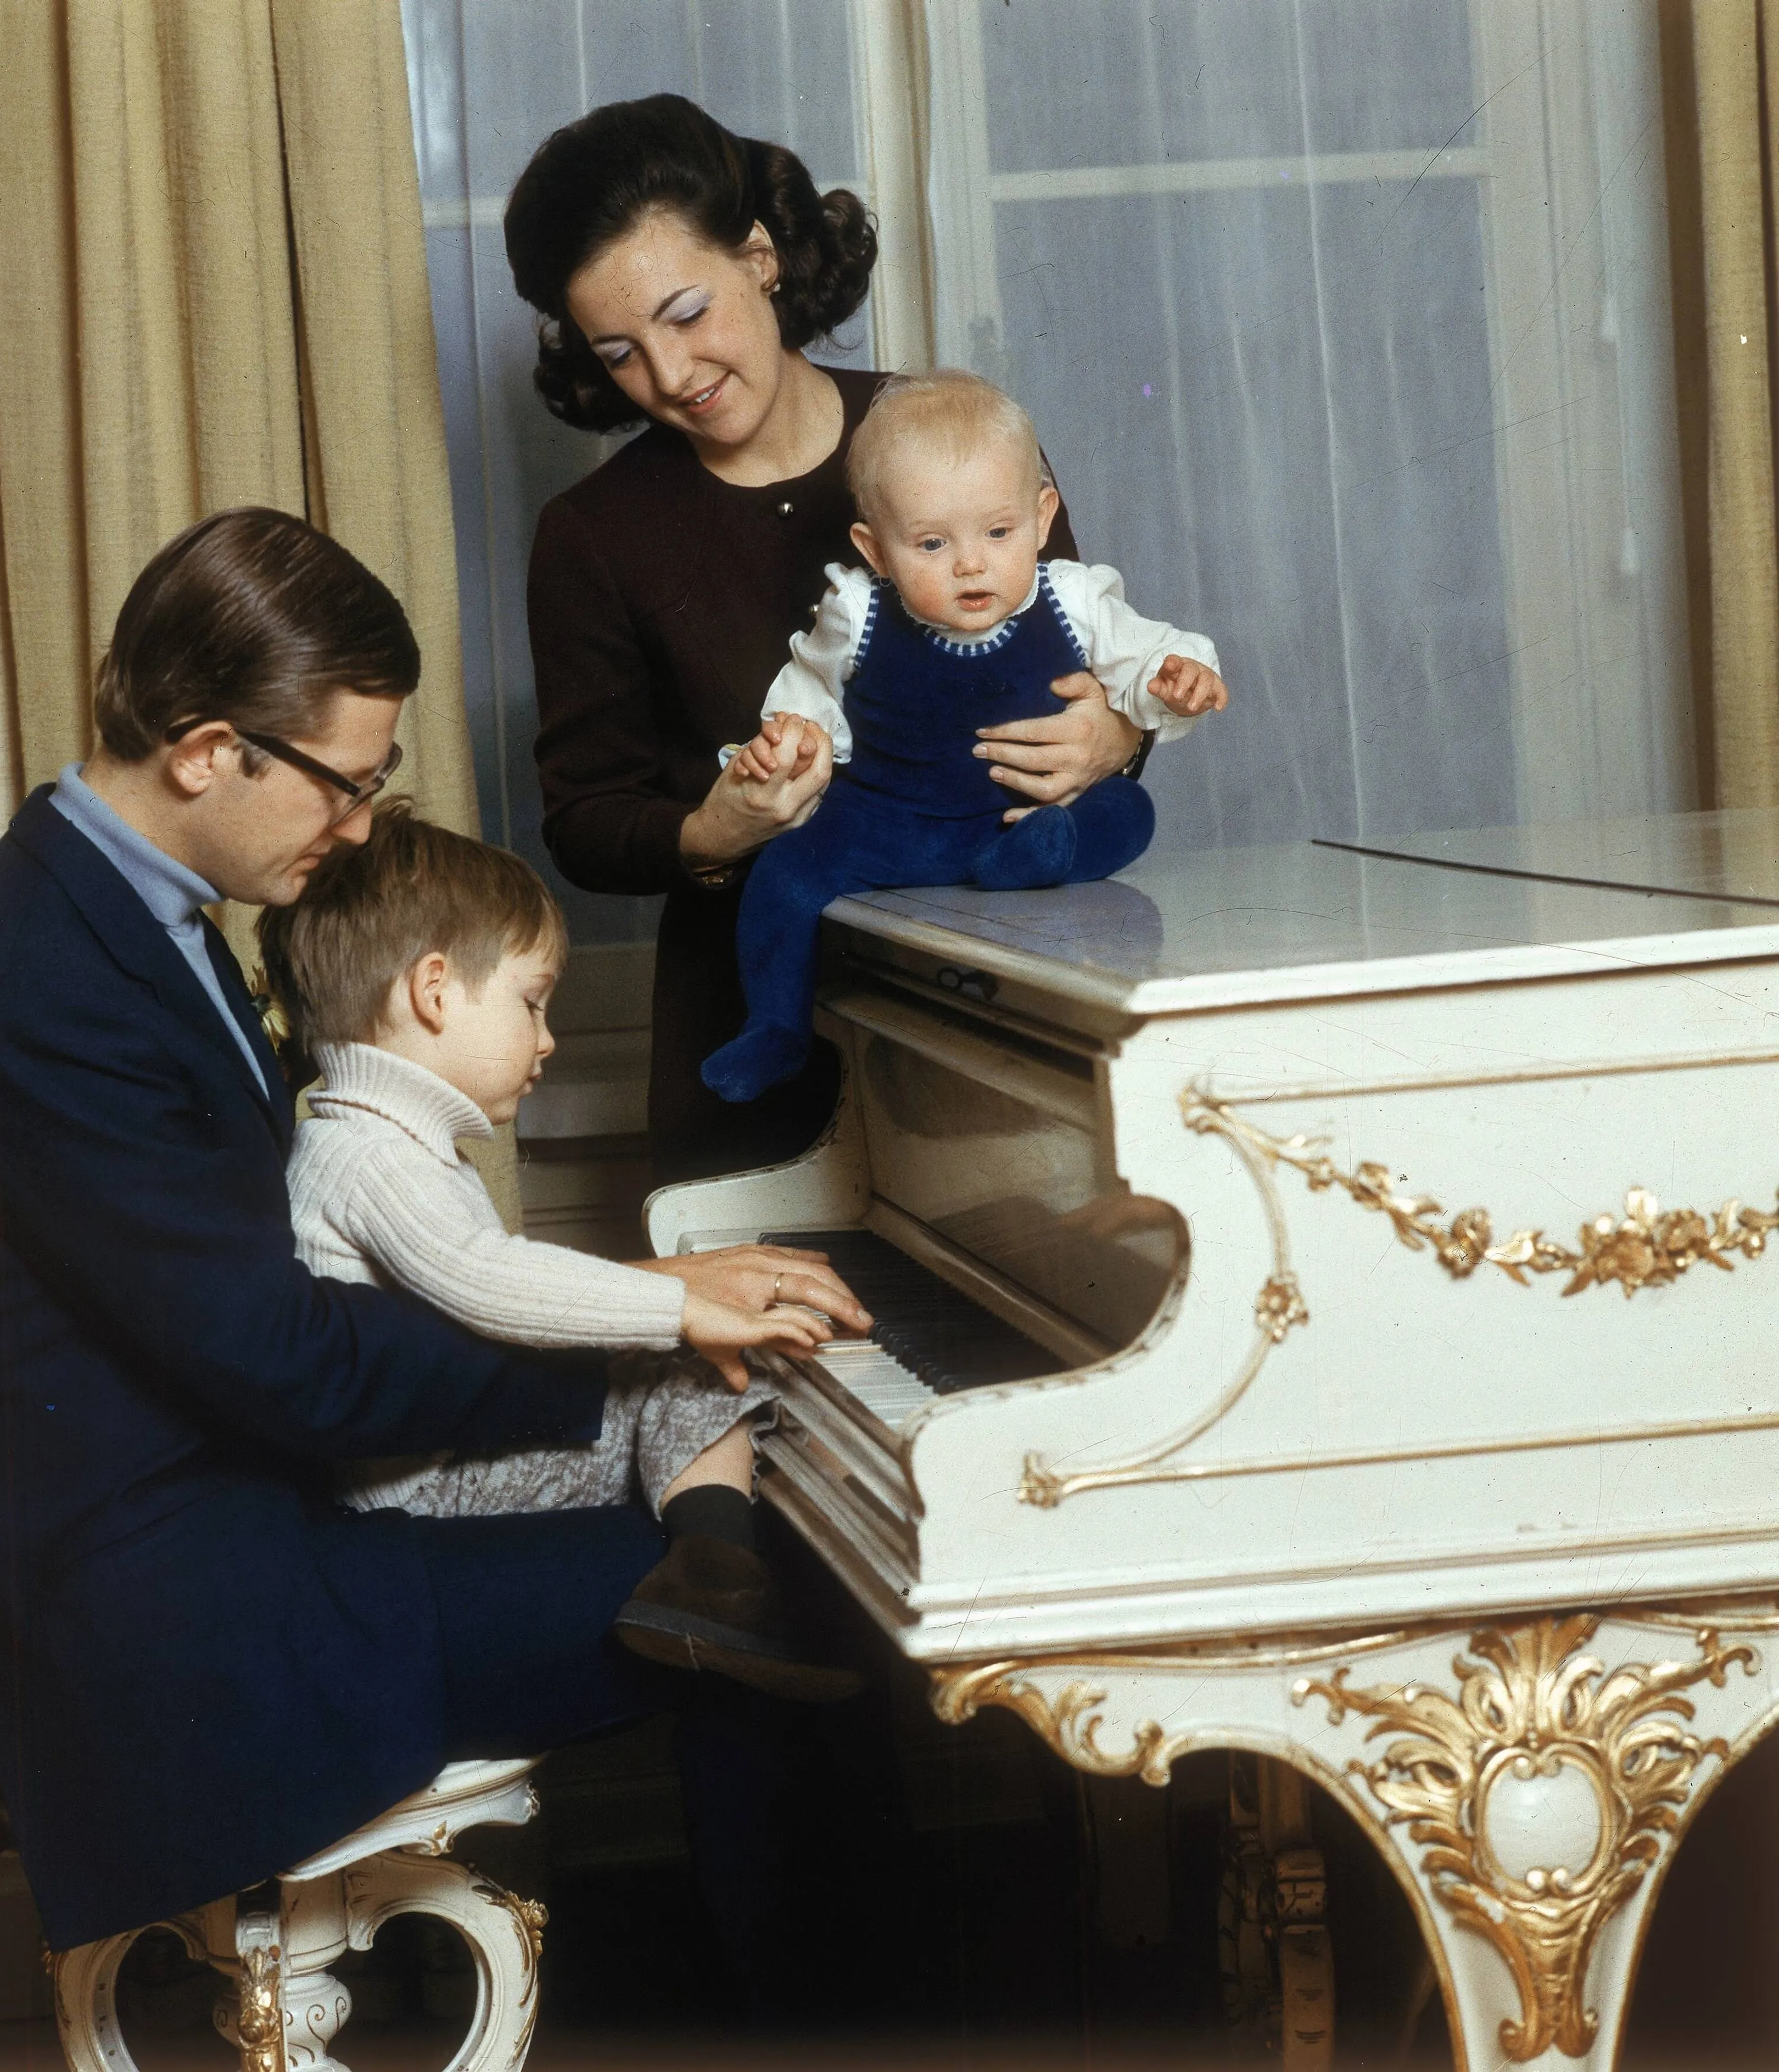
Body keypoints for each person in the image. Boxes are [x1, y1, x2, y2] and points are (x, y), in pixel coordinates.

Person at [0, 506, 863, 1956]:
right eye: (345, 782)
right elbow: (290, 1364)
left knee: (743, 1561)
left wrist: (624, 1329)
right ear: (209, 750)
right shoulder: (42, 989)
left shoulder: (125, 916)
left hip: (249, 1525)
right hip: (175, 1621)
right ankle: (814, 2003)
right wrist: (630, 1326)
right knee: (791, 1588)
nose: (358, 824)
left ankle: (793, 1993)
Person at [506, 93, 1148, 1184]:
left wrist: (1116, 738)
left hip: (1004, 1010)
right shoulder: (592, 535)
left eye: (687, 312)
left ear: (759, 256)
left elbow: (1089, 645)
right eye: (619, 352)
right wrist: (711, 830)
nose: (668, 377)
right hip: (748, 1036)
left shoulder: (953, 433)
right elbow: (586, 821)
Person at [258, 804, 864, 1700]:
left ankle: (713, 1563)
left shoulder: (375, 1137)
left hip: (434, 1461)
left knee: (683, 1369)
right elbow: (488, 1282)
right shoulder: (370, 1156)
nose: (548, 1040)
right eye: (531, 1002)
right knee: (707, 1371)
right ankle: (722, 1577)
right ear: (434, 991)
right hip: (425, 1492)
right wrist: (684, 1308)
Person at [704, 370, 1228, 1101]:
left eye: (998, 531)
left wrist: (1178, 678)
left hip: (1023, 815)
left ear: (1043, 518)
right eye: (931, 544)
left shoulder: (1073, 597)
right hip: (890, 826)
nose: (971, 562)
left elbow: (1148, 656)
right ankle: (776, 1028)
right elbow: (809, 691)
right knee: (785, 873)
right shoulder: (857, 611)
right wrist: (789, 740)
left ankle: (1041, 855)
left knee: (1129, 814)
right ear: (876, 550)